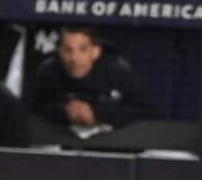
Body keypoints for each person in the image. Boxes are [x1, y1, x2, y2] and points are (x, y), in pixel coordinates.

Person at [26, 27, 158, 143]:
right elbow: (33, 107)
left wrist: (97, 114)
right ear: (59, 51)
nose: (74, 58)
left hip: (113, 146)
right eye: (68, 50)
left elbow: (146, 111)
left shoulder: (117, 70)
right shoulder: (49, 70)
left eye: (82, 49)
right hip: (60, 143)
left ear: (95, 51)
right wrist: (65, 112)